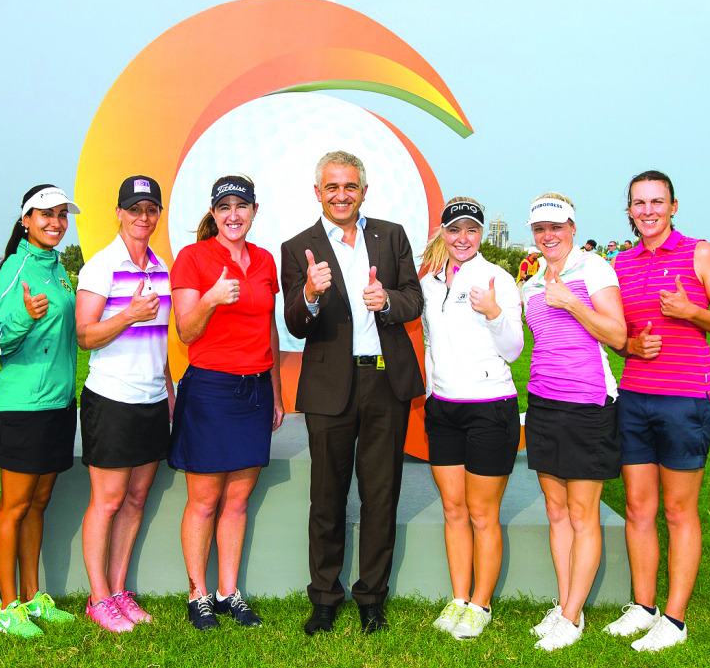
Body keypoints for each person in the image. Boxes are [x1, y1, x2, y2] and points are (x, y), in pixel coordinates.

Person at [280, 150, 424, 636]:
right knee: (327, 496)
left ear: (364, 190)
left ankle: (371, 597)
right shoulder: (298, 245)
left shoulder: (392, 235)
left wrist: (387, 301)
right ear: (317, 192)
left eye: (351, 187)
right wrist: (310, 295)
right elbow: (296, 326)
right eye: (332, 187)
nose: (342, 195)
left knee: (381, 494)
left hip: (386, 382)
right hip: (329, 388)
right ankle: (324, 597)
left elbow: (413, 299)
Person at [606, 170, 710, 652]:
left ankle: (675, 619)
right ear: (628, 210)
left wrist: (691, 313)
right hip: (635, 398)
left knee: (679, 511)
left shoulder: (699, 253)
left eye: (657, 201)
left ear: (674, 206)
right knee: (639, 508)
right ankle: (643, 607)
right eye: (639, 203)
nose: (648, 210)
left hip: (687, 401)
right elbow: (620, 337)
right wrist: (630, 345)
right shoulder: (620, 263)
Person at [168, 175, 284, 630]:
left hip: (255, 390)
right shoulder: (194, 259)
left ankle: (227, 591)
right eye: (225, 207)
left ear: (255, 211)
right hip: (211, 389)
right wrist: (213, 298)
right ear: (213, 214)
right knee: (204, 499)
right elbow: (186, 331)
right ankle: (197, 593)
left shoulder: (264, 260)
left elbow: (268, 329)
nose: (234, 214)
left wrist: (274, 389)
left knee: (238, 499)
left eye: (242, 206)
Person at [521, 193, 627, 651]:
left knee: (584, 515)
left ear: (572, 228)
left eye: (557, 227)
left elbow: (618, 335)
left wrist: (570, 302)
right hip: (543, 402)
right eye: (541, 229)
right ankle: (569, 606)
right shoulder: (529, 284)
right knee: (556, 510)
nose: (549, 236)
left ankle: (571, 616)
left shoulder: (595, 269)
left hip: (589, 404)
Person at [419, 198, 524, 640]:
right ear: (443, 232)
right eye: (455, 230)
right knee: (453, 509)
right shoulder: (427, 284)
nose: (463, 238)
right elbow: (428, 344)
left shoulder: (496, 279)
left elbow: (515, 348)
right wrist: (430, 393)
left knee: (483, 513)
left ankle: (481, 604)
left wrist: (495, 313)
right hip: (443, 408)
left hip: (489, 407)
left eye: (472, 230)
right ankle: (459, 597)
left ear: (481, 235)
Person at [76, 176, 174, 633]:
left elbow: (161, 344)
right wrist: (128, 315)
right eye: (134, 209)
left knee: (136, 498)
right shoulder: (100, 266)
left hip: (152, 399)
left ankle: (117, 591)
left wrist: (169, 392)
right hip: (112, 399)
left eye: (150, 209)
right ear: (118, 213)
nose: (142, 217)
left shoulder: (162, 268)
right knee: (108, 500)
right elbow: (85, 335)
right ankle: (97, 598)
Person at [0, 185, 81, 638]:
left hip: (57, 404)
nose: (56, 223)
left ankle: (32, 596)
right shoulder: (17, 267)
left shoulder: (57, 268)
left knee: (38, 503)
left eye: (62, 215)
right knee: (15, 506)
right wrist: (24, 315)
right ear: (26, 220)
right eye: (46, 215)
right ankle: (6, 606)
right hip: (23, 406)